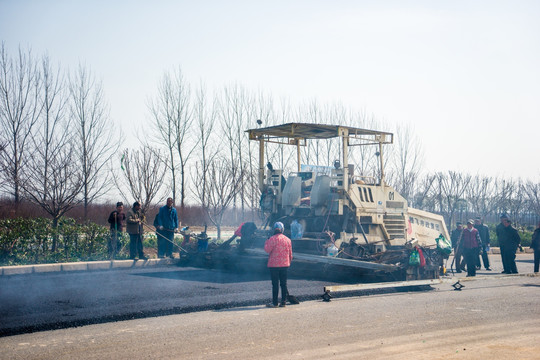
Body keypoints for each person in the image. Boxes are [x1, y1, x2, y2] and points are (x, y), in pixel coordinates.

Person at [264, 222, 293, 308]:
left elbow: (267, 250)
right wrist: (289, 262)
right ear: (282, 229)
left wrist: (266, 241)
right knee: (284, 284)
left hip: (274, 266)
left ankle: (275, 303)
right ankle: (283, 302)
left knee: (275, 284)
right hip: (284, 265)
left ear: (274, 229)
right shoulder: (288, 240)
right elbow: (290, 254)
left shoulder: (272, 239)